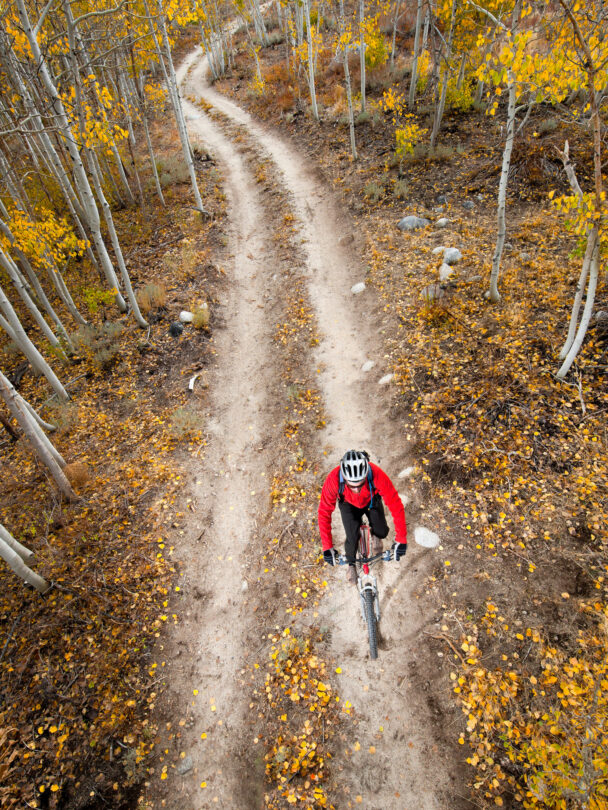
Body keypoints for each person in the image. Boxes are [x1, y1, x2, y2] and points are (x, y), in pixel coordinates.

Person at [318, 449, 407, 585]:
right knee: (352, 537)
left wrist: (401, 539)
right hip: (348, 505)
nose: (357, 490)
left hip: (371, 500)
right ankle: (351, 565)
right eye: (352, 485)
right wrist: (327, 547)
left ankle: (375, 536)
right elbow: (324, 512)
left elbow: (395, 505)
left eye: (360, 484)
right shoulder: (333, 480)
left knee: (382, 530)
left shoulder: (376, 474)